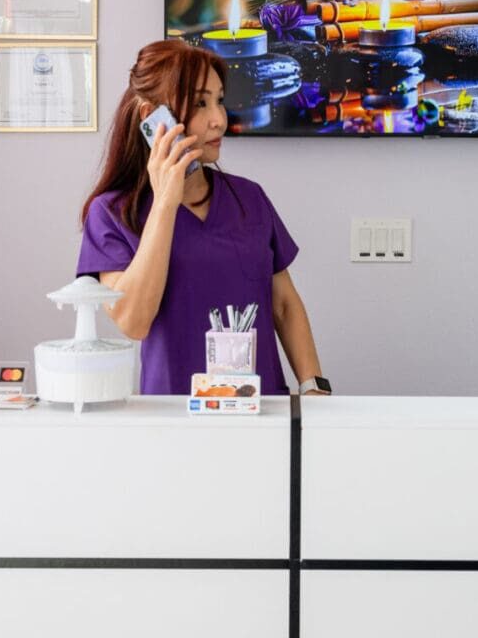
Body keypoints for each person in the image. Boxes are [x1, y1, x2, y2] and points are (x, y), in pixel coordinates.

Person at [77, 40, 331, 398]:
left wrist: (313, 387)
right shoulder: (112, 214)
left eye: (219, 100)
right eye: (200, 103)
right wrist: (166, 201)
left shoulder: (249, 199)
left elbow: (284, 304)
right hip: (172, 419)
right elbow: (133, 321)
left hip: (261, 410)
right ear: (153, 117)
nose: (219, 119)